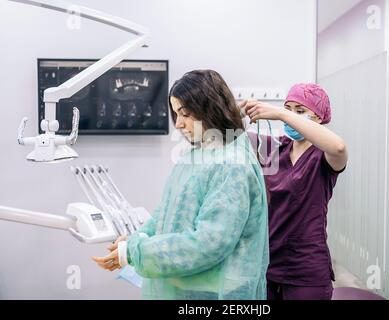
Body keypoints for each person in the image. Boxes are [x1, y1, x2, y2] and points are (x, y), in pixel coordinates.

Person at [92, 70, 269, 300]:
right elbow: (167, 213)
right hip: (186, 287)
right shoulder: (197, 155)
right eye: (176, 114)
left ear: (211, 108)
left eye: (185, 113)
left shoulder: (232, 165)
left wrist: (138, 252)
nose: (179, 124)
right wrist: (138, 238)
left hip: (216, 293)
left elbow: (209, 243)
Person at [241, 83, 348, 300]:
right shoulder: (277, 148)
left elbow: (339, 147)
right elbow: (228, 136)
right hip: (269, 263)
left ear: (318, 118)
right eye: (288, 108)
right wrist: (236, 111)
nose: (291, 116)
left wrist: (281, 114)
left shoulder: (323, 156)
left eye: (299, 111)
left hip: (306, 270)